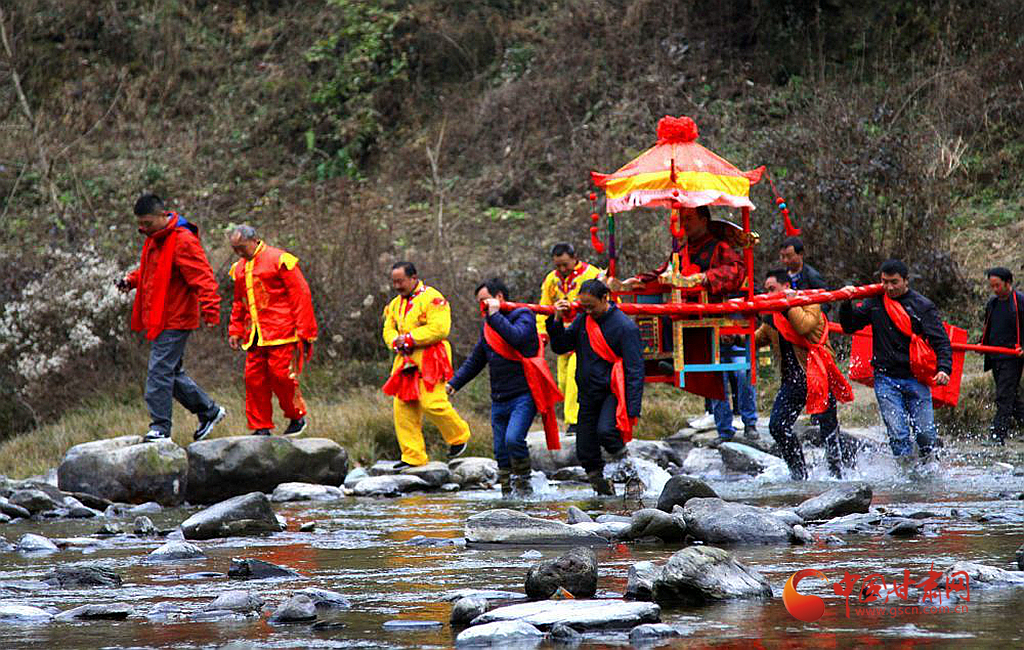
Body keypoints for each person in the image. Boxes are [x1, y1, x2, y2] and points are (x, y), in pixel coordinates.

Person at [118, 193, 225, 442]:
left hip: (176, 318)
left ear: (162, 215)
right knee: (171, 373)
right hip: (159, 318)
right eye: (140, 224)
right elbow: (150, 271)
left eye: (147, 223)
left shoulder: (182, 240)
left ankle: (160, 429)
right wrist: (131, 280)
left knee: (158, 373)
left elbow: (203, 276)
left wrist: (211, 309)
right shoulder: (155, 239)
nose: (142, 229)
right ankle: (209, 411)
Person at [447, 278, 561, 497]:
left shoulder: (524, 315)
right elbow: (476, 359)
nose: (481, 306)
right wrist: (454, 383)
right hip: (499, 398)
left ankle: (524, 488)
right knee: (500, 450)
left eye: (484, 300)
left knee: (513, 439)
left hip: (524, 394)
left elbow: (516, 338)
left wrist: (495, 315)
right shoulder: (490, 324)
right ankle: (508, 495)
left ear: (498, 297)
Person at [839, 259, 952, 472]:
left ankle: (930, 470)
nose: (889, 287)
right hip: (886, 378)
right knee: (898, 433)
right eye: (885, 282)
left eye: (894, 282)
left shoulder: (922, 306)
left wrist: (944, 368)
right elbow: (850, 325)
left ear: (906, 281)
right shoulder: (875, 302)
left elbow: (941, 341)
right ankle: (905, 475)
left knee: (926, 434)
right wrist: (846, 303)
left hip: (916, 377)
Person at [547, 279, 644, 495]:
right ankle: (602, 490)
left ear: (604, 298)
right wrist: (556, 319)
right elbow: (561, 346)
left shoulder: (625, 327)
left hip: (612, 391)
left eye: (591, 306)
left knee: (607, 431)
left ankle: (633, 475)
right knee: (585, 447)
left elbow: (635, 370)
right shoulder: (583, 320)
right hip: (587, 392)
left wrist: (633, 407)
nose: (588, 311)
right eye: (584, 307)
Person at [756, 270, 854, 479]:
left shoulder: (810, 301)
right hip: (793, 381)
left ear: (786, 286)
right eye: (767, 290)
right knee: (777, 426)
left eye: (772, 289)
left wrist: (789, 304)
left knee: (828, 427)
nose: (768, 294)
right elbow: (755, 338)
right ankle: (798, 474)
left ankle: (837, 475)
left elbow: (803, 327)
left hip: (818, 373)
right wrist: (735, 337)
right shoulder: (771, 318)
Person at [227, 225, 317, 437]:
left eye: (241, 247)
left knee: (282, 376)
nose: (239, 253)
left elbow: (300, 294)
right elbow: (239, 302)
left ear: (254, 240)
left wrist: (305, 330)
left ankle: (296, 416)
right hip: (254, 334)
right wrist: (235, 329)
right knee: (253, 379)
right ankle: (261, 426)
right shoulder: (239, 269)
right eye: (235, 249)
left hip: (282, 331)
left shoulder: (279, 260)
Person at [382, 261, 471, 469]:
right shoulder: (394, 304)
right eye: (394, 282)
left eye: (401, 281)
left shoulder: (433, 298)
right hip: (405, 361)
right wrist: (395, 341)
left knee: (432, 403)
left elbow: (440, 329)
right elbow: (388, 329)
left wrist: (411, 338)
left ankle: (459, 436)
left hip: (431, 358)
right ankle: (413, 457)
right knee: (403, 408)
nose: (397, 286)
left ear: (414, 278)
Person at [538, 243, 603, 435]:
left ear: (575, 258)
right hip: (561, 336)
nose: (562, 269)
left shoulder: (592, 274)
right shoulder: (551, 279)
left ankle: (575, 422)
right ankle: (582, 418)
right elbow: (544, 307)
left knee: (576, 377)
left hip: (584, 333)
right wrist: (542, 332)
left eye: (565, 264)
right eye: (558, 265)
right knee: (563, 382)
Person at [980, 267, 1024, 444]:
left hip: (1012, 357)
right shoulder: (992, 303)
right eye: (992, 286)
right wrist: (982, 344)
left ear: (1008, 283)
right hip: (995, 356)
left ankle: (997, 436)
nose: (995, 290)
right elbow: (988, 327)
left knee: (1003, 396)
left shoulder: (1020, 302)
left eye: (998, 285)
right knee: (1011, 398)